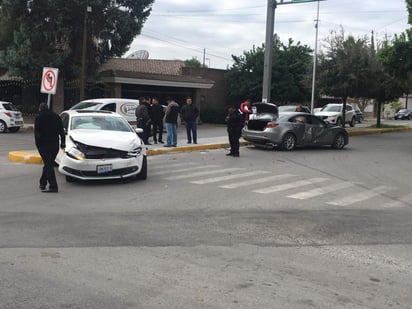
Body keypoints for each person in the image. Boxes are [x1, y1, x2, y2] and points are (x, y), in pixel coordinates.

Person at [34, 102, 65, 193]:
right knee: (48, 164)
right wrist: (63, 143)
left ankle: (53, 186)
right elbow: (61, 131)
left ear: (40, 109)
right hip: (55, 145)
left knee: (49, 165)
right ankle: (42, 183)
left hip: (44, 146)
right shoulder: (56, 116)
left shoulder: (39, 118)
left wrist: (38, 146)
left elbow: (37, 134)